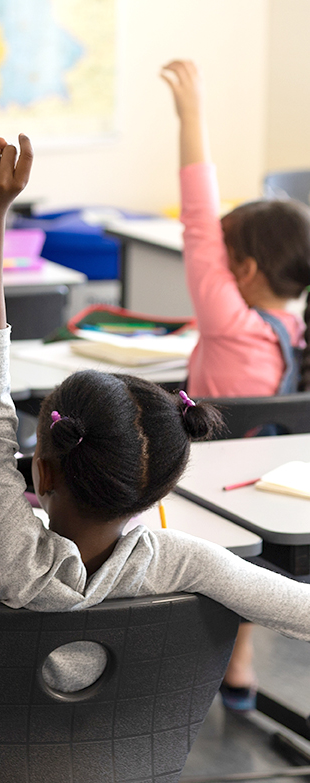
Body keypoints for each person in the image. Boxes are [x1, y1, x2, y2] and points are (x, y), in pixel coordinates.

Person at [0, 134, 310, 783]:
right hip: (115, 763)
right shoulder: (180, 559)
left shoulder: (5, 540)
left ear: (40, 472)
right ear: (156, 485)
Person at [162, 59, 310, 710]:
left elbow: (198, 219)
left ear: (241, 268)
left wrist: (190, 117)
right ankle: (241, 660)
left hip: (203, 493)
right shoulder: (294, 328)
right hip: (271, 492)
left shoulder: (226, 319)